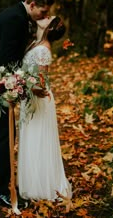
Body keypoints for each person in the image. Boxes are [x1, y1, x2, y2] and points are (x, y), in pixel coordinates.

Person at [0, 0, 54, 207]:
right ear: (32, 4)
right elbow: (6, 60)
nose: (43, 15)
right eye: (42, 11)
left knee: (5, 133)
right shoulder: (16, 19)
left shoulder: (17, 14)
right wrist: (12, 88)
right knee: (5, 136)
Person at [17, 16, 72, 201]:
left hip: (38, 99)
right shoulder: (36, 43)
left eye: (49, 18)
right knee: (31, 137)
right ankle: (31, 181)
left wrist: (20, 84)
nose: (45, 16)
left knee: (37, 139)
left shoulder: (43, 49)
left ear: (49, 28)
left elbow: (41, 81)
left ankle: (39, 185)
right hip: (30, 96)